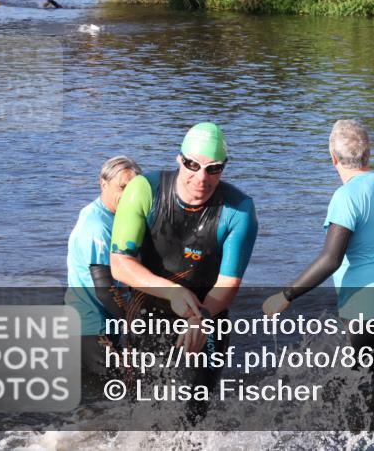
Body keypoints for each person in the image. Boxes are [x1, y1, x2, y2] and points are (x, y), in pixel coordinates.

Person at [110, 122, 258, 422]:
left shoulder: (239, 210)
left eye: (213, 169)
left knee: (193, 419)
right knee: (141, 415)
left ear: (223, 169)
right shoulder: (144, 190)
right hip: (146, 314)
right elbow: (120, 264)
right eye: (193, 165)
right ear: (179, 160)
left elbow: (228, 285)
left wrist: (200, 319)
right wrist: (172, 291)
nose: (201, 178)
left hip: (207, 317)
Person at [263, 119, 374, 378]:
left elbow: (330, 260)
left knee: (356, 392)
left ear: (333, 157)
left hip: (366, 308)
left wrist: (285, 296)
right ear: (369, 153)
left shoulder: (346, 197)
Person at [66, 156, 142, 376]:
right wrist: (138, 325)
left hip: (105, 320)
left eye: (132, 189)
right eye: (122, 187)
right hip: (91, 324)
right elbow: (106, 290)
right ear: (103, 183)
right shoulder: (97, 227)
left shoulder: (116, 215)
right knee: (124, 387)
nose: (128, 195)